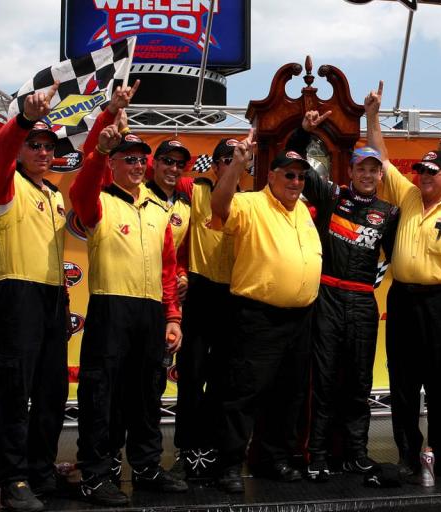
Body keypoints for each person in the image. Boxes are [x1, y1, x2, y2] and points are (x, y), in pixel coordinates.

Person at [70, 110, 186, 505]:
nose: (137, 165)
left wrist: (172, 316)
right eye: (128, 158)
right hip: (110, 307)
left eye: (141, 159)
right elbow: (79, 193)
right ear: (113, 163)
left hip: (151, 312)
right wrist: (97, 153)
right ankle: (96, 473)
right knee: (102, 394)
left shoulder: (159, 209)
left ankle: (147, 467)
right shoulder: (98, 201)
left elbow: (169, 269)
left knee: (147, 393)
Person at [285, 88, 400, 482]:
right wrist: (303, 134)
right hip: (329, 298)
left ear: (380, 175)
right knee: (325, 378)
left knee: (360, 383)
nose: (367, 175)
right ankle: (317, 453)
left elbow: (404, 255)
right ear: (349, 172)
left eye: (373, 169)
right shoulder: (332, 196)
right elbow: (295, 165)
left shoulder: (389, 212)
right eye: (361, 169)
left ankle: (356, 453)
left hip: (364, 303)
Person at [369, 96, 441, 482]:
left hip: (440, 303)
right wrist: (372, 115)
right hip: (402, 300)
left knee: (436, 386)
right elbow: (381, 157)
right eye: (421, 172)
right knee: (401, 383)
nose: (424, 177)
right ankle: (407, 457)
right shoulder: (409, 195)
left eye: (432, 173)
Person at [210, 134, 324, 494]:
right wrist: (238, 165)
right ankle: (228, 464)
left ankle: (275, 458)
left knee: (288, 395)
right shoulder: (250, 203)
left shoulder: (303, 209)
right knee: (244, 393)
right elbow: (219, 206)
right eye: (288, 175)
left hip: (300, 318)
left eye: (300, 176)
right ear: (271, 176)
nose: (295, 182)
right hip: (259, 316)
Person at [0, 82, 67, 512]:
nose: (43, 152)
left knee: (51, 392)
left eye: (49, 147)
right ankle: (11, 479)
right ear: (20, 148)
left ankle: (39, 470)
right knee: (16, 391)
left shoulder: (52, 194)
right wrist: (23, 120)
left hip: (53, 297)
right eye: (34, 144)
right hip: (17, 294)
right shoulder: (4, 184)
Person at [168, 137, 240, 482]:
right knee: (192, 378)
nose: (231, 163)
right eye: (225, 158)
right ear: (214, 166)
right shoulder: (193, 187)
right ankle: (186, 450)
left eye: (238, 158)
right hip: (198, 292)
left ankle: (215, 453)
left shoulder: (252, 201)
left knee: (225, 383)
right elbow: (161, 170)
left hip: (234, 297)